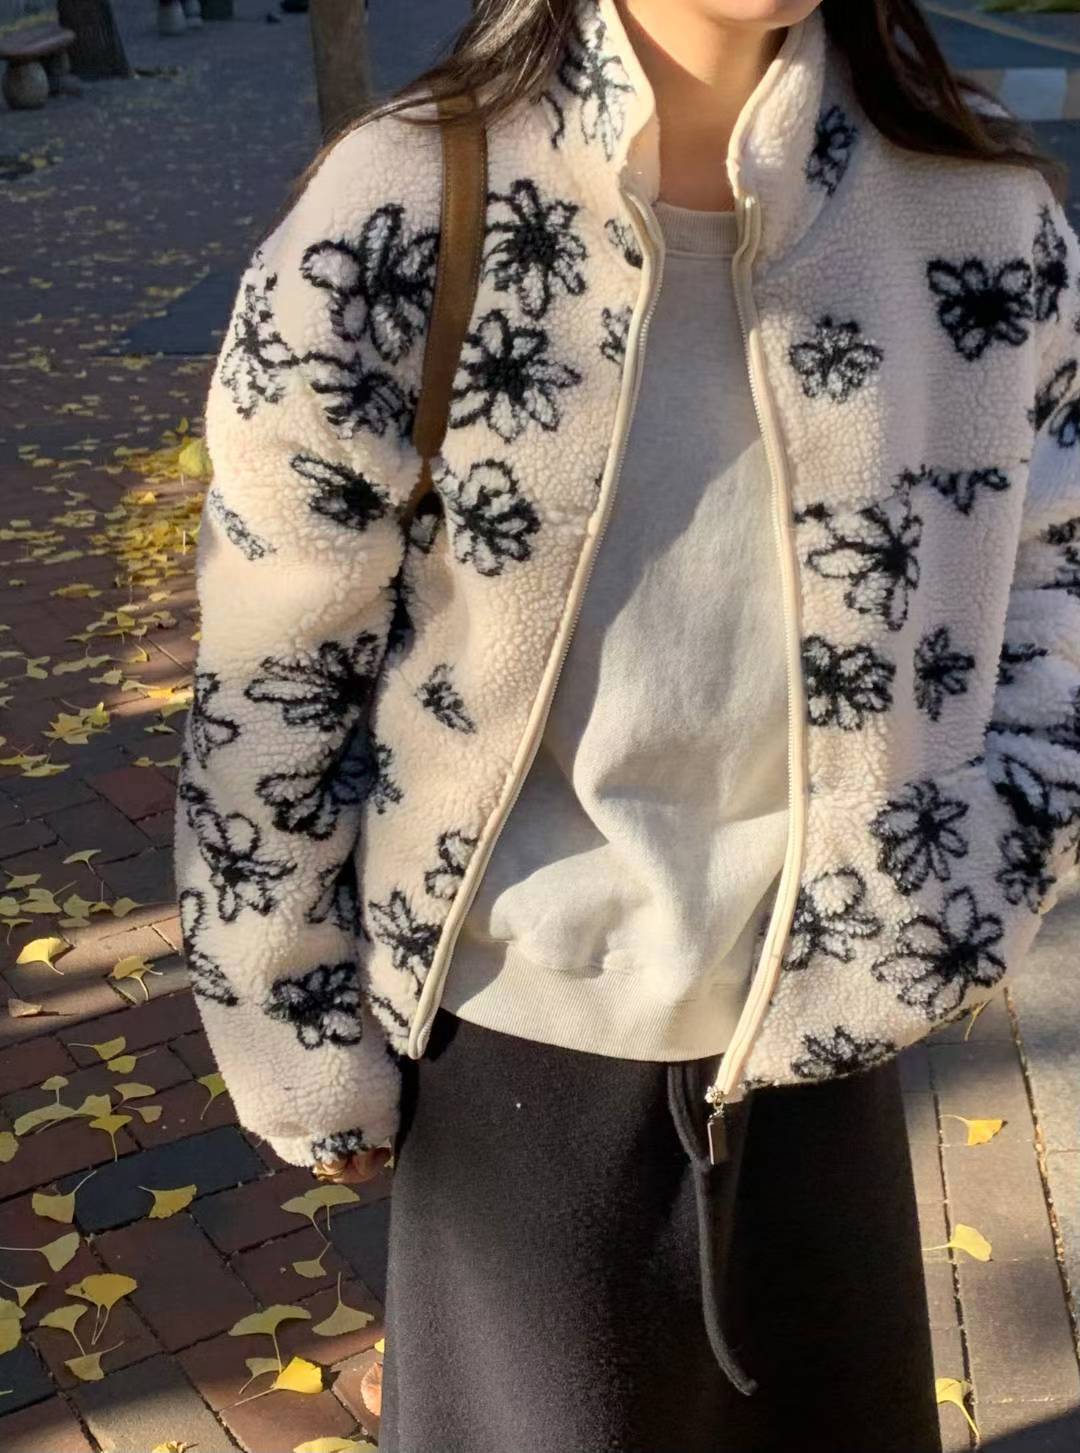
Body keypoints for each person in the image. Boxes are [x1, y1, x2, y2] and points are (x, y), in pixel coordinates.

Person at [174, 1, 1080, 1447]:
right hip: (509, 1058)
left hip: (835, 1047)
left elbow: (1057, 574)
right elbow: (277, 658)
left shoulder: (981, 218)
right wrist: (293, 1020)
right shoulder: (408, 203)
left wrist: (972, 870)